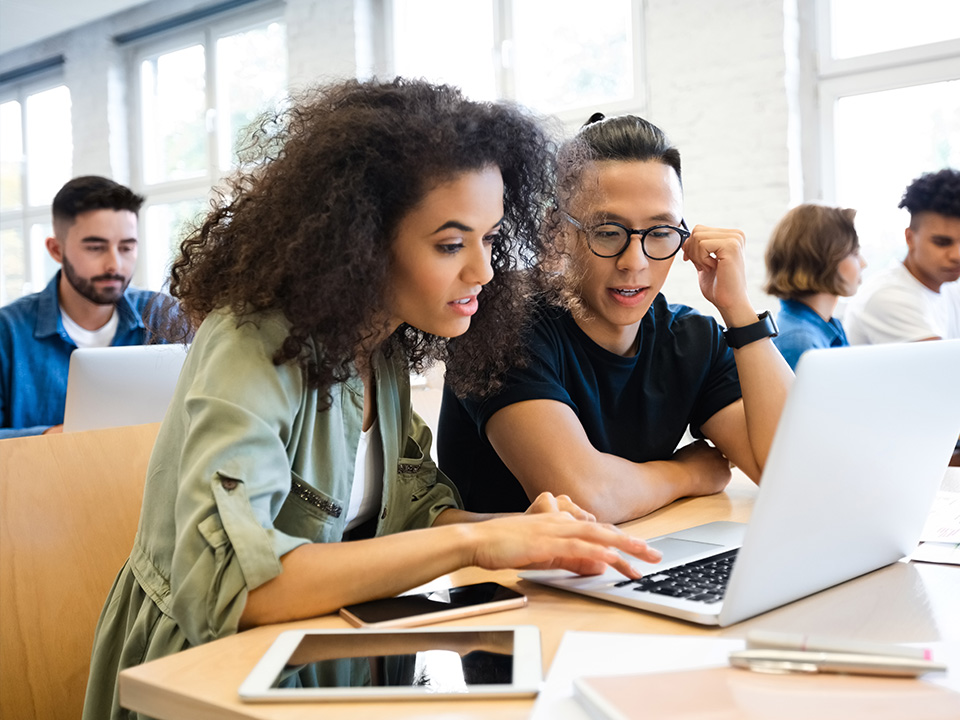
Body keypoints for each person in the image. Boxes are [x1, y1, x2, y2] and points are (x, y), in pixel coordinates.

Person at [82, 79, 660, 720]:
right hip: (206, 677)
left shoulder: (380, 344)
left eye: (491, 238)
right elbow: (233, 588)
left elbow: (414, 518)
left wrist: (525, 533)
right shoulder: (251, 342)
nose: (484, 271)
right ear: (360, 242)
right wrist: (474, 547)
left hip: (331, 656)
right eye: (450, 244)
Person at [438, 113, 794, 523]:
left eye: (660, 232)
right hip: (506, 582)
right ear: (557, 232)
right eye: (607, 231)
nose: (634, 262)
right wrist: (688, 473)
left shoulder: (692, 339)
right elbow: (585, 498)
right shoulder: (501, 325)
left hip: (636, 564)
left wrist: (738, 311)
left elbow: (791, 472)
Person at [0, 175, 171, 438]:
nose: (114, 264)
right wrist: (51, 438)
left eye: (126, 248)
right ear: (56, 250)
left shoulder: (163, 316)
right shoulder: (7, 331)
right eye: (95, 247)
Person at [844, 168, 960, 344]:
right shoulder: (888, 297)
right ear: (910, 238)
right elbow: (945, 368)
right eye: (942, 243)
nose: (956, 256)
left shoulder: (949, 287)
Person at [764, 203, 867, 370]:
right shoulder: (799, 341)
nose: (863, 263)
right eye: (854, 253)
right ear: (825, 259)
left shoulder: (826, 326)